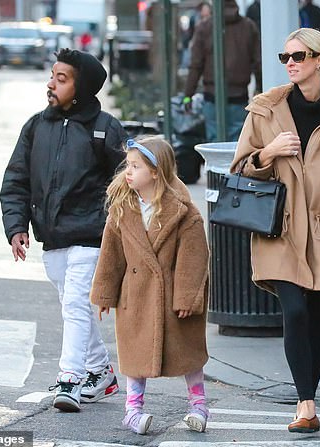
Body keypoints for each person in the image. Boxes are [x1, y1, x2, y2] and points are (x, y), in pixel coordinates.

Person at [230, 27, 320, 433]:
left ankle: (308, 402)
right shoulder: (265, 110)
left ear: (318, 60)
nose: (290, 63)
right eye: (285, 57)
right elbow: (240, 170)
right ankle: (305, 401)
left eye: (297, 56)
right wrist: (268, 152)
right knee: (294, 311)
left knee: (318, 316)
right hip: (280, 230)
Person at [0, 48, 128, 412]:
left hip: (92, 235)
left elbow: (130, 180)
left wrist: (118, 230)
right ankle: (101, 372)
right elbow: (16, 180)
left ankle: (69, 379)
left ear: (81, 86)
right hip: (52, 237)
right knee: (74, 308)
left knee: (75, 304)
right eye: (52, 76)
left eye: (61, 78)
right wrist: (16, 226)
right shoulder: (37, 126)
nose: (50, 84)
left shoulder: (105, 128)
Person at [91, 136, 210, 434]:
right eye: (127, 165)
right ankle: (133, 410)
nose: (127, 172)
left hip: (173, 296)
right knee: (134, 354)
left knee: (188, 353)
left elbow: (194, 257)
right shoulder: (122, 208)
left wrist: (187, 298)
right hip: (136, 295)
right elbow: (111, 253)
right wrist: (106, 292)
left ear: (156, 172)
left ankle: (198, 405)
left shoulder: (184, 212)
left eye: (135, 166)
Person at [183, 0, 261, 142]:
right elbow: (258, 62)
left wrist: (188, 95)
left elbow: (195, 65)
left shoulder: (204, 27)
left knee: (214, 144)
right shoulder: (248, 27)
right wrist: (260, 91)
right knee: (239, 144)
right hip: (239, 96)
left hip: (212, 96)